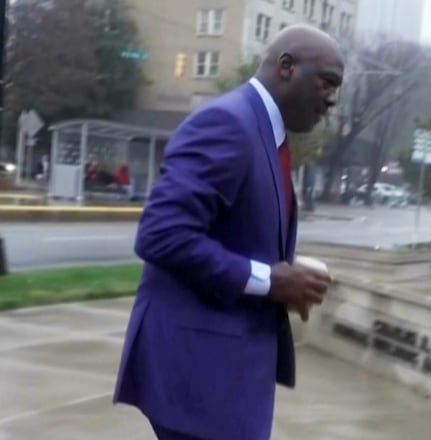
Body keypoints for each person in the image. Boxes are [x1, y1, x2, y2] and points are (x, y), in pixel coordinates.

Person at [113, 25, 343, 440]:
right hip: (198, 377)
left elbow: (231, 233)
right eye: (327, 82)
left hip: (225, 375)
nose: (332, 99)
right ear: (287, 67)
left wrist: (283, 274)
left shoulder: (264, 133)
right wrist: (270, 280)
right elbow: (162, 234)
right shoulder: (228, 123)